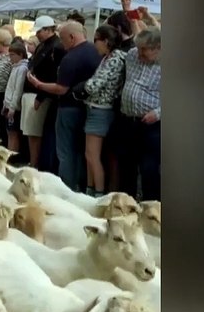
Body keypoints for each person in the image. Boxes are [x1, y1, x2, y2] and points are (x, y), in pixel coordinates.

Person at [28, 21, 100, 192]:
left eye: (63, 39)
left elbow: (61, 89)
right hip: (88, 107)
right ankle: (82, 186)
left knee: (65, 151)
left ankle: (66, 188)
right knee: (81, 151)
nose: (61, 43)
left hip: (68, 108)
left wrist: (39, 84)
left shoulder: (71, 57)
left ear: (72, 37)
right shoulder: (95, 52)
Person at [77, 25, 127, 196]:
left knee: (93, 155)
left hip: (101, 109)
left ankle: (97, 193)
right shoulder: (108, 57)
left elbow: (95, 84)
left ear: (106, 41)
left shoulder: (114, 59)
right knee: (89, 155)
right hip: (96, 108)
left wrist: (83, 87)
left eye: (96, 39)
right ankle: (90, 190)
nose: (94, 44)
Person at [114, 27, 161, 200]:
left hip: (152, 125)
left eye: (144, 50)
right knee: (126, 165)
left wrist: (157, 113)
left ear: (158, 48)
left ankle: (151, 206)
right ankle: (127, 203)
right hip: (127, 120)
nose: (139, 53)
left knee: (150, 168)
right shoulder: (133, 54)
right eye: (138, 48)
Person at [20, 16, 67, 172]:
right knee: (30, 130)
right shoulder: (43, 45)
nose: (38, 34)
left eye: (40, 31)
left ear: (48, 29)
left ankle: (35, 163)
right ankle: (33, 161)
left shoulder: (56, 47)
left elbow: (52, 74)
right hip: (34, 90)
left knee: (35, 130)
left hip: (41, 93)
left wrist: (41, 96)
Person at [2, 41, 30, 165]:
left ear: (20, 54)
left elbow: (17, 89)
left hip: (14, 107)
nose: (10, 58)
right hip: (8, 104)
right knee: (9, 132)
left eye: (12, 55)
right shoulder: (15, 68)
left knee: (13, 134)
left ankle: (12, 157)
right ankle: (10, 153)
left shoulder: (22, 69)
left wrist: (12, 107)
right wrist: (5, 104)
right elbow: (9, 87)